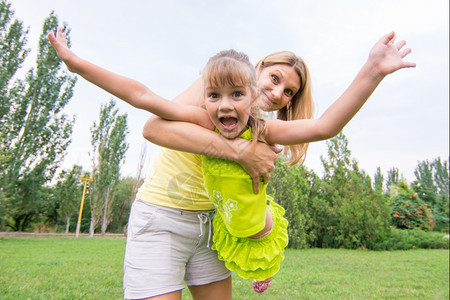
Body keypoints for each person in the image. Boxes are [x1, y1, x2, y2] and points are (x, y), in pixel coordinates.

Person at [48, 28, 415, 299]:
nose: (276, 94)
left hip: (212, 230)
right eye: (274, 80)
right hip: (163, 219)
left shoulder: (265, 129)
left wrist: (373, 70)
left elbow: (324, 126)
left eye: (288, 93)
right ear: (258, 72)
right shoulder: (210, 106)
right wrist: (75, 63)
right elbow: (145, 104)